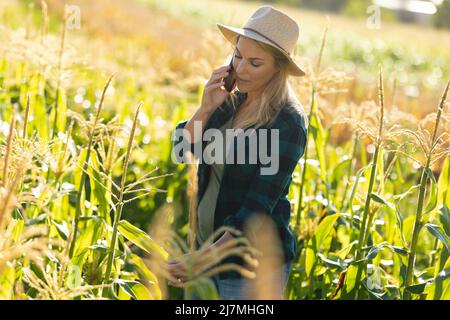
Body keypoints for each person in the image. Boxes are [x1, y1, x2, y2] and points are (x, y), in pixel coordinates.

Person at [169, 6, 308, 300]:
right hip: (205, 250)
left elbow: (255, 211)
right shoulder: (229, 101)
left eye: (255, 63)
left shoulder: (288, 122)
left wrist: (201, 260)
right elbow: (182, 153)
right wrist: (205, 108)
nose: (241, 69)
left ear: (278, 68)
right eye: (238, 56)